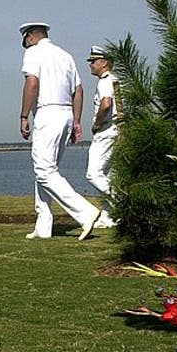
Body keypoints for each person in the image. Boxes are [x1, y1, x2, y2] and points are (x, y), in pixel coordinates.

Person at [18, 21, 111, 240]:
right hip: (66, 113)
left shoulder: (33, 53)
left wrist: (23, 115)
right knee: (46, 171)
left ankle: (85, 212)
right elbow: (78, 89)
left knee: (44, 170)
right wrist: (76, 121)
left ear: (30, 37)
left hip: (47, 112)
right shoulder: (65, 55)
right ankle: (44, 224)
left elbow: (32, 83)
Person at [84, 45, 120, 240]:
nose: (90, 64)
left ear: (104, 63)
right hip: (116, 131)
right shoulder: (116, 80)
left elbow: (106, 104)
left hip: (106, 131)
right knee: (108, 174)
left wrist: (97, 123)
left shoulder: (105, 81)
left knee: (94, 174)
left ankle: (122, 204)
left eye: (94, 60)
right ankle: (108, 216)